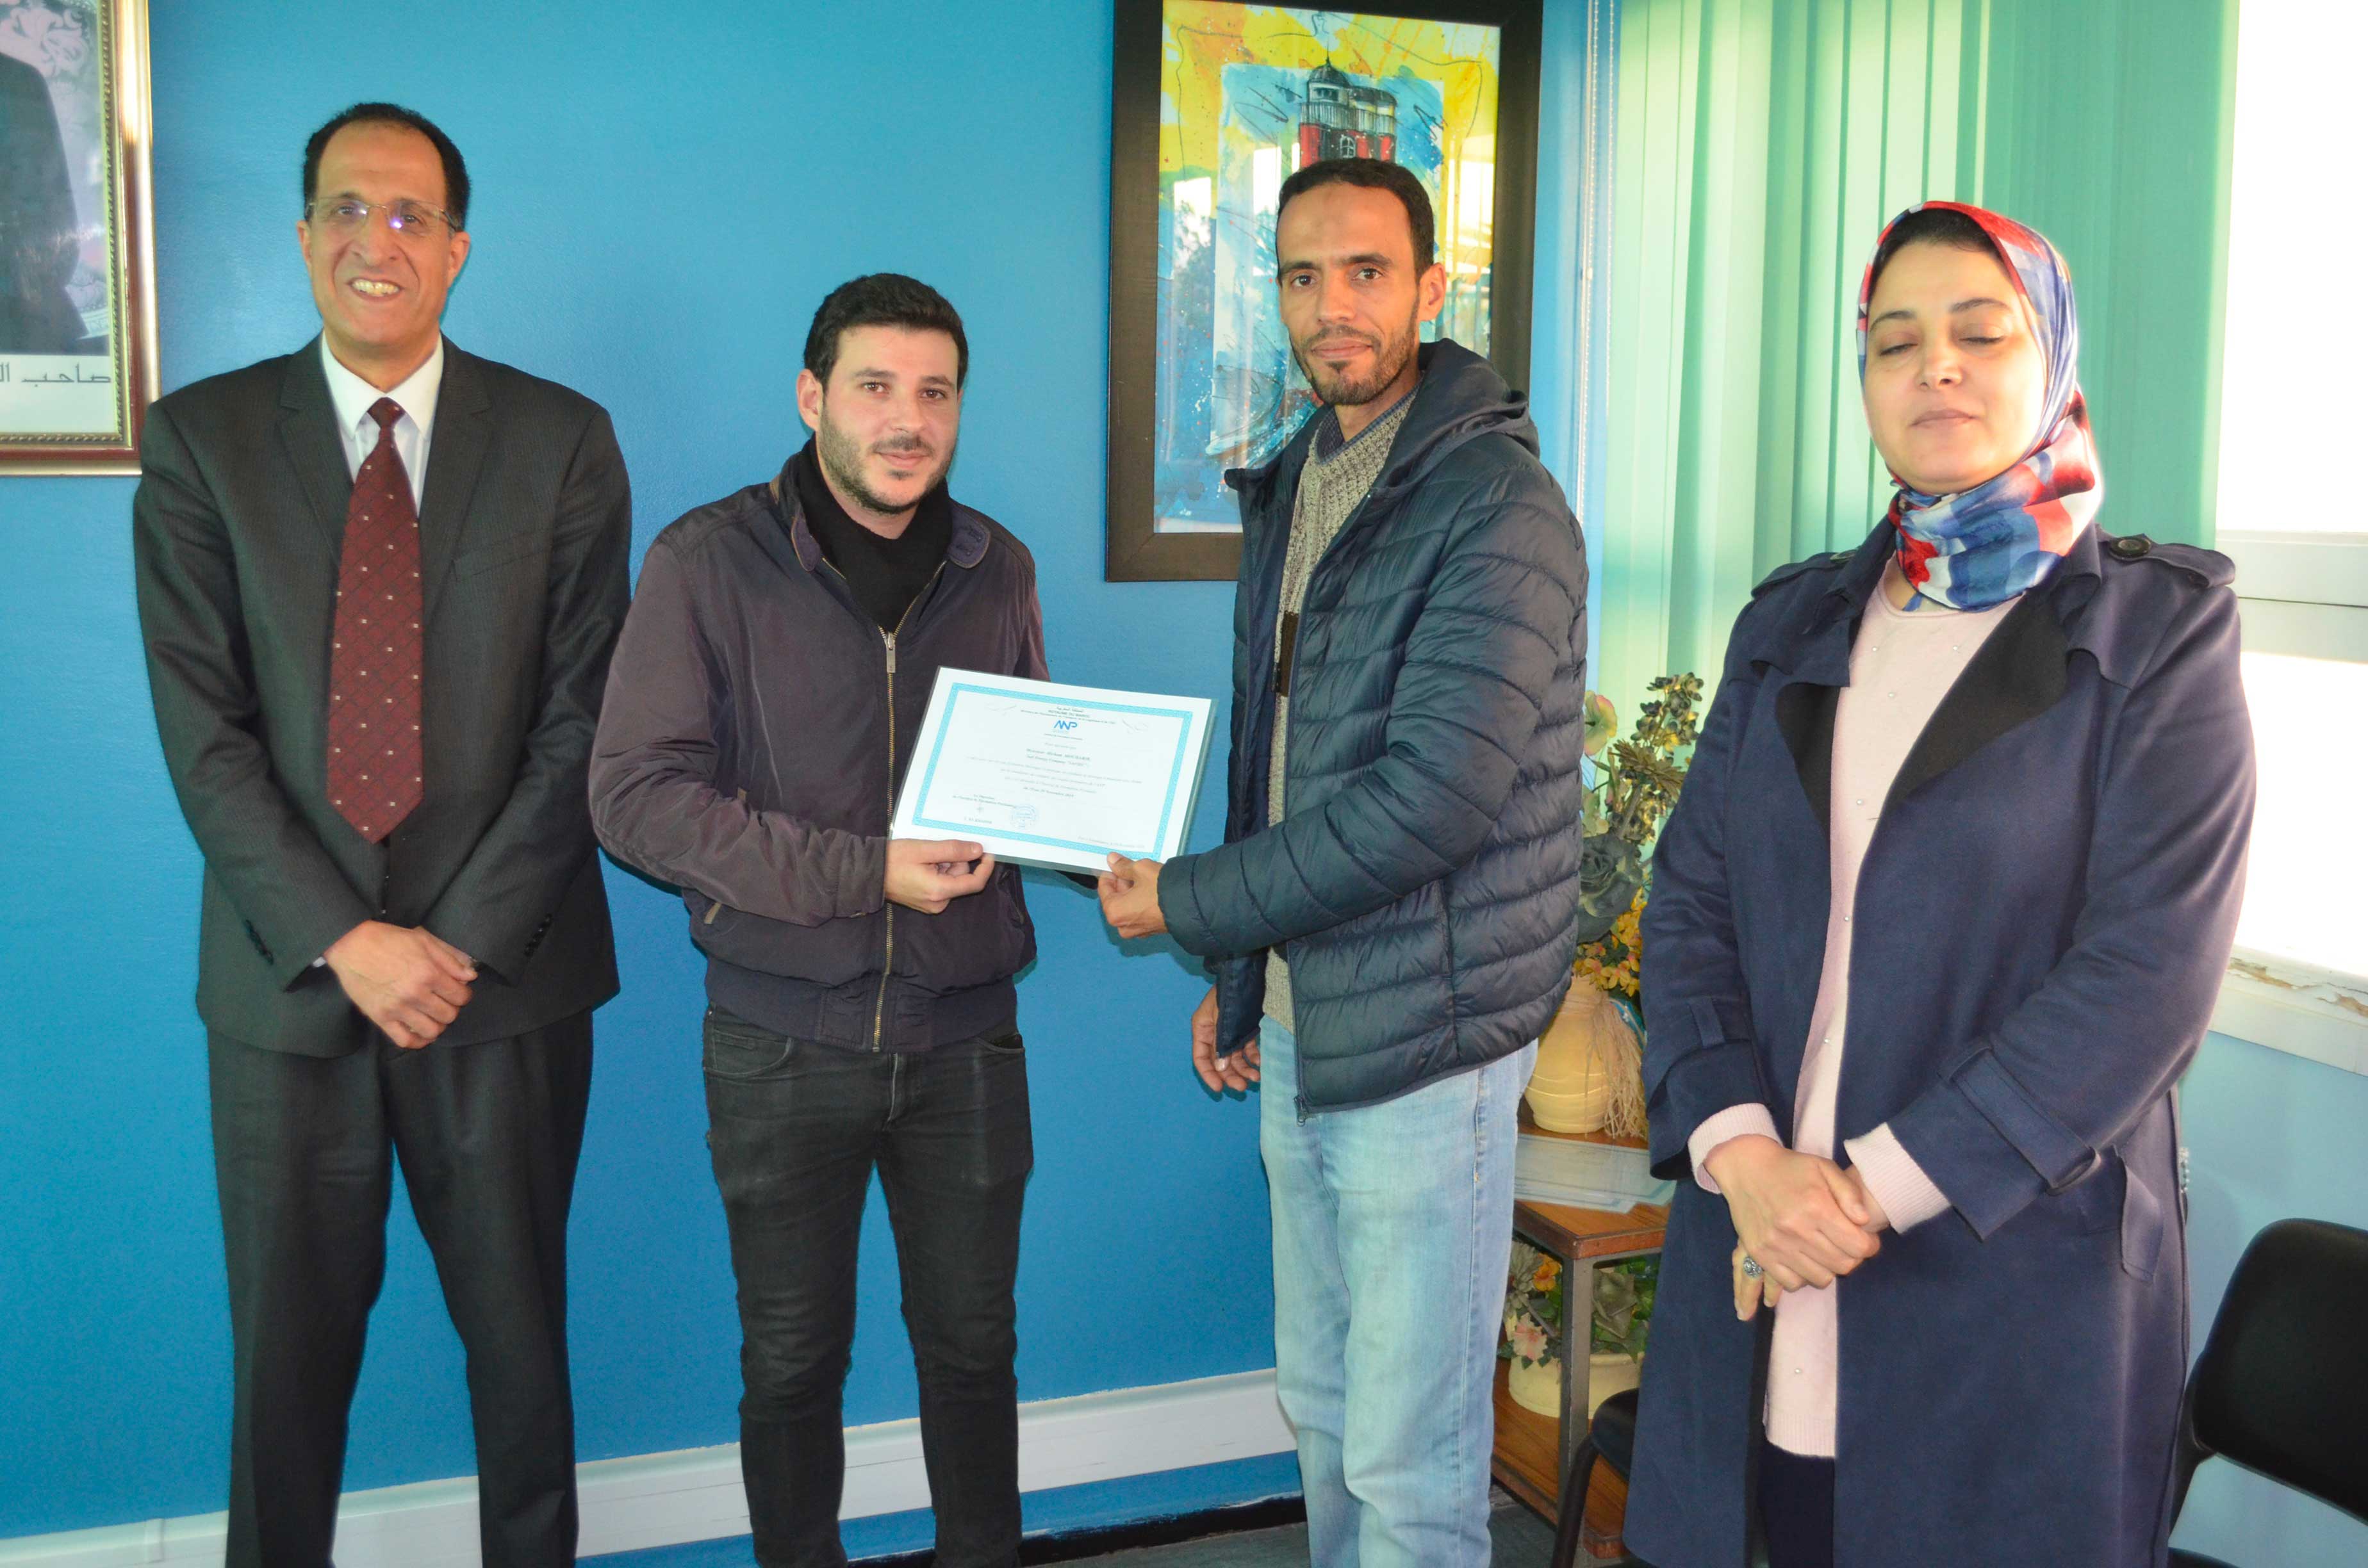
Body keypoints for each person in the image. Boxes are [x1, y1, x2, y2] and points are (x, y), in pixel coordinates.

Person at [1623, 202, 2255, 1568]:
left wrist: (1857, 1197)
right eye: (1894, 343)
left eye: (1982, 331)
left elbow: (2146, 981)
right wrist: (1744, 1160)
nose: (1938, 369)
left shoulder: (2157, 633)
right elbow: (1688, 913)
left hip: (1997, 1269)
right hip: (1761, 1246)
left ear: (2055, 363)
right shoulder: (1791, 622)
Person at [131, 102, 632, 1568]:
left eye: (411, 215)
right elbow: (202, 731)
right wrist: (351, 940)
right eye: (346, 211)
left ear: (459, 250)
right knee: (281, 1379)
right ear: (302, 239)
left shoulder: (562, 442)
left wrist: (451, 946)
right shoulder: (204, 442)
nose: (376, 241)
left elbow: (583, 719)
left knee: (523, 1364)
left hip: (506, 990)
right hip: (290, 989)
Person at [1097, 158, 1590, 1565]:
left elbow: (1430, 801)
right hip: (1314, 1027)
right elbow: (1284, 752)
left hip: (1426, 1047)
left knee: (1414, 1461)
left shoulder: (1498, 506)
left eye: (1367, 272)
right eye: (1303, 277)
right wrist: (1244, 974)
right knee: (1322, 1407)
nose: (1332, 308)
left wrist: (1188, 901)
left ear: (1434, 291)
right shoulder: (1306, 476)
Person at [589, 274, 1045, 1568]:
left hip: (968, 1038)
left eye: (935, 392)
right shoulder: (705, 561)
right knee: (792, 1364)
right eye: (875, 387)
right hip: (780, 1046)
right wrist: (867, 872)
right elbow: (635, 801)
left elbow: (1019, 770)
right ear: (812, 398)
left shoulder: (994, 564)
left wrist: (1086, 841)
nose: (908, 420)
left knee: (974, 1355)